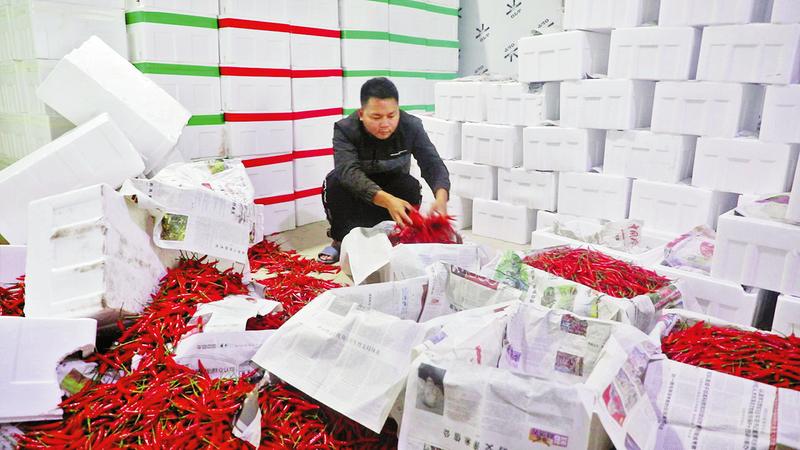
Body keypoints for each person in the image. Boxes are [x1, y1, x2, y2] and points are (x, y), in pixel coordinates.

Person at [317, 77, 451, 263]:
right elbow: (348, 172)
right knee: (334, 182)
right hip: (358, 192)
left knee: (410, 186)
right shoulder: (346, 129)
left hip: (393, 187)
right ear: (362, 113)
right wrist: (387, 200)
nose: (385, 124)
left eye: (391, 115)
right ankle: (340, 241)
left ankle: (398, 238)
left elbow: (432, 163)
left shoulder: (411, 126)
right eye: (376, 117)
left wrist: (441, 197)